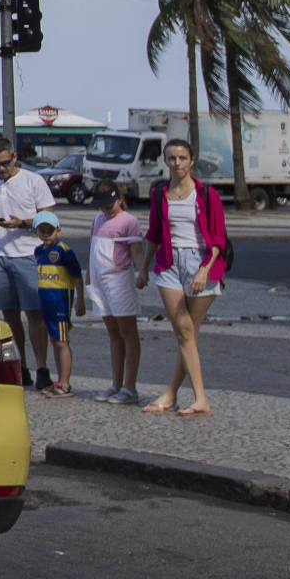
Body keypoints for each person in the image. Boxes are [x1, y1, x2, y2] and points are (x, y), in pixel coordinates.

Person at [143, 137, 229, 417]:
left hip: (201, 263)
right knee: (184, 332)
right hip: (168, 263)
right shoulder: (159, 194)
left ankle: (174, 394)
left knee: (188, 333)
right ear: (165, 161)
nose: (177, 163)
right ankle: (197, 398)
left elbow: (218, 239)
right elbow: (154, 233)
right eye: (171, 158)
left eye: (182, 158)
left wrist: (205, 269)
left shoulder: (207, 195)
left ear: (191, 161)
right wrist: (143, 267)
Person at [0, 134, 57, 388]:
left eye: (5, 163)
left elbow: (50, 220)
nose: (1, 169)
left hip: (28, 254)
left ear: (14, 158)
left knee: (35, 315)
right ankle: (20, 366)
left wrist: (21, 223)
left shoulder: (33, 181)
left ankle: (42, 367)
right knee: (9, 316)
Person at [88, 182, 147, 403]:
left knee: (127, 332)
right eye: (102, 206)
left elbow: (136, 252)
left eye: (109, 205)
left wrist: (142, 272)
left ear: (119, 199)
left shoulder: (129, 222)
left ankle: (130, 387)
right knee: (113, 332)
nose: (106, 210)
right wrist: (88, 282)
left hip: (119, 280)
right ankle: (116, 383)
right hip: (99, 282)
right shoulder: (97, 221)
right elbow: (92, 252)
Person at [30, 211, 84, 398]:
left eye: (50, 230)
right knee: (55, 341)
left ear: (58, 230)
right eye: (42, 230)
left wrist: (80, 300)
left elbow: (77, 276)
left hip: (60, 303)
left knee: (62, 342)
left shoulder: (64, 251)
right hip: (46, 304)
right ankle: (60, 380)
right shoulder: (38, 251)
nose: (46, 234)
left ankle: (66, 383)